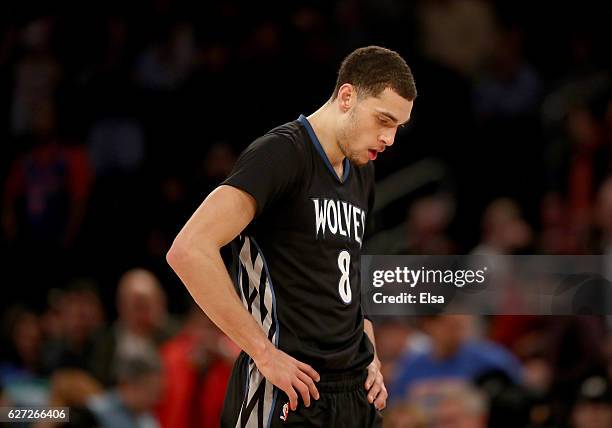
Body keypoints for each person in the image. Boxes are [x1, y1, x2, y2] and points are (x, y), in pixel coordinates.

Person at [167, 45, 416, 427]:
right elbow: (188, 250)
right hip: (288, 387)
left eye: (397, 126)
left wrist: (372, 355)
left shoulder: (363, 169)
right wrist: (262, 353)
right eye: (383, 120)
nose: (390, 138)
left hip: (353, 392)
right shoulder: (281, 155)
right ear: (347, 96)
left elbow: (346, 280)